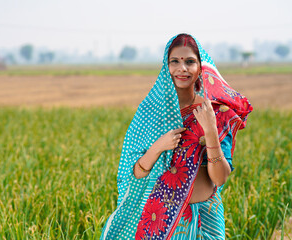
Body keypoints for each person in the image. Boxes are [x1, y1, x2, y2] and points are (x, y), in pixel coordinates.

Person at [100, 33, 253, 239]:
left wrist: (210, 131)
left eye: (190, 61)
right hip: (162, 218)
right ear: (166, 67)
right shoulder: (151, 114)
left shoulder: (216, 113)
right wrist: (158, 147)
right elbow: (134, 173)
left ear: (201, 67)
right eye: (175, 62)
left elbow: (220, 177)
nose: (182, 68)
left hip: (206, 217)